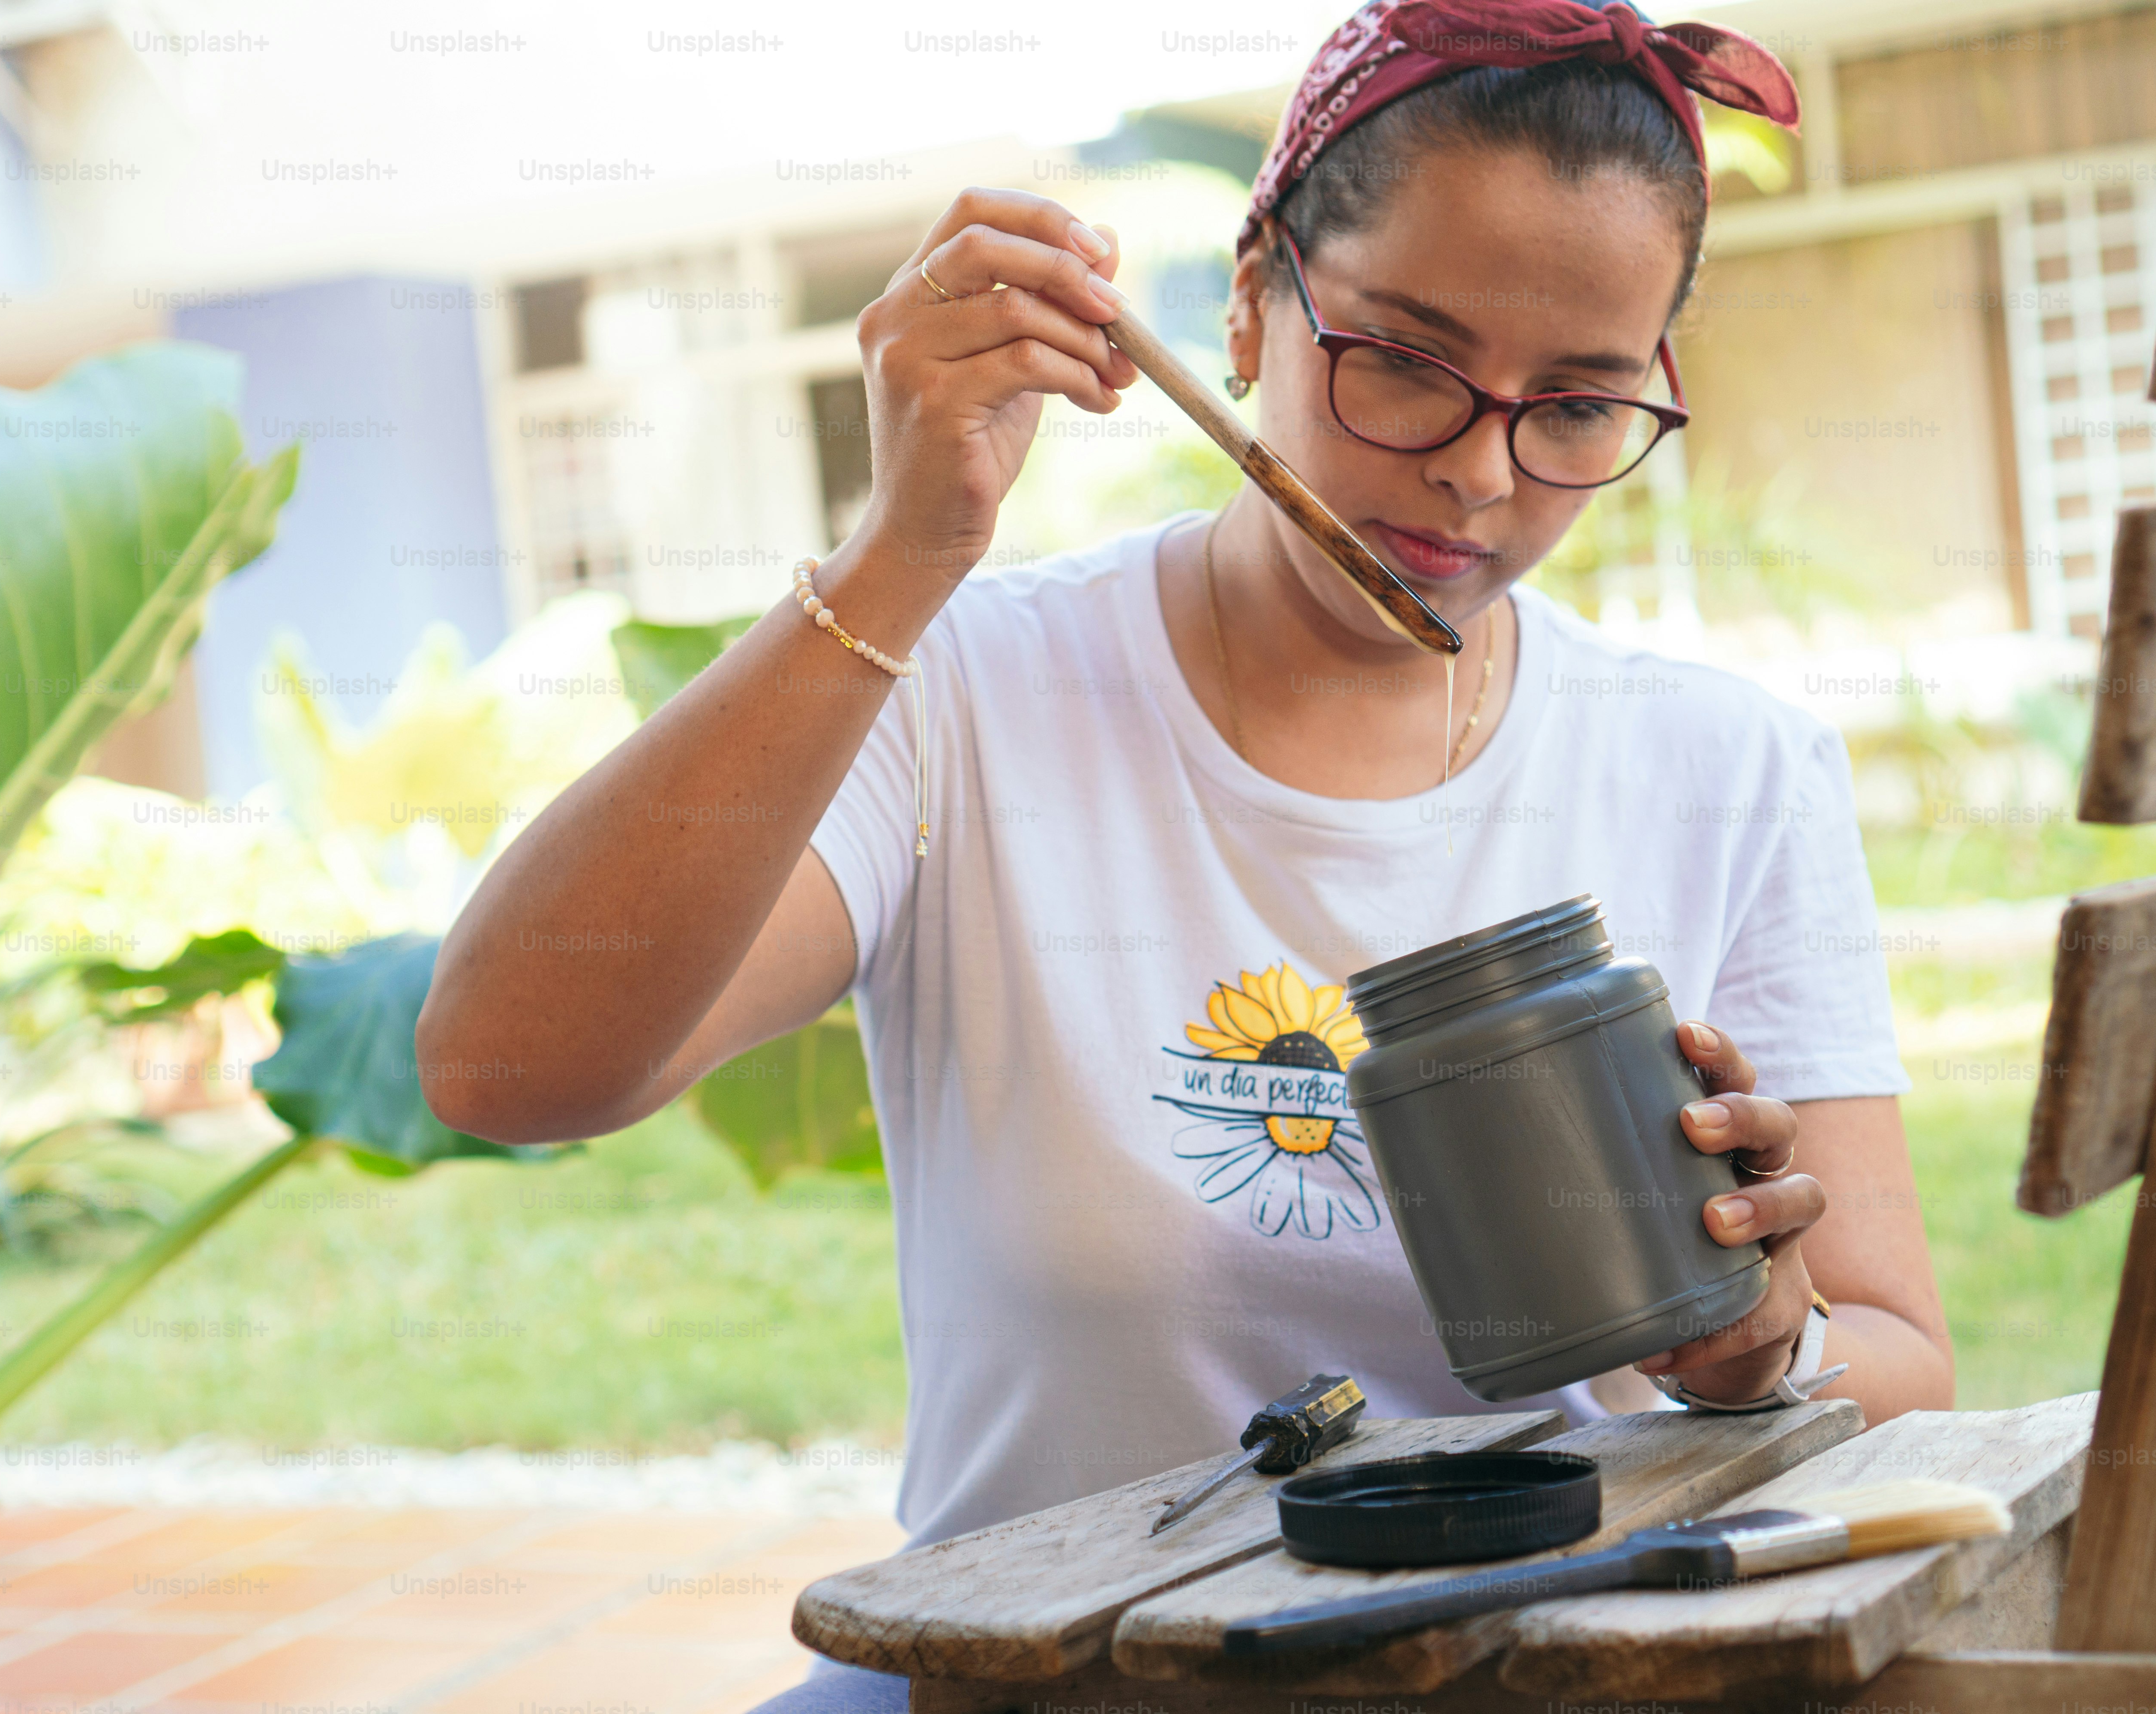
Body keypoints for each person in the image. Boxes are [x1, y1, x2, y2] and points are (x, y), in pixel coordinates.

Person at [418, 0, 1953, 1702]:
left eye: (1577, 410)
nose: (1471, 479)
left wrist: (1761, 1347)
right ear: (1249, 297)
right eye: (1402, 362)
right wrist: (898, 554)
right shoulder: (961, 699)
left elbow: (1895, 1352)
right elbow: (505, 1061)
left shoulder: (1720, 767)